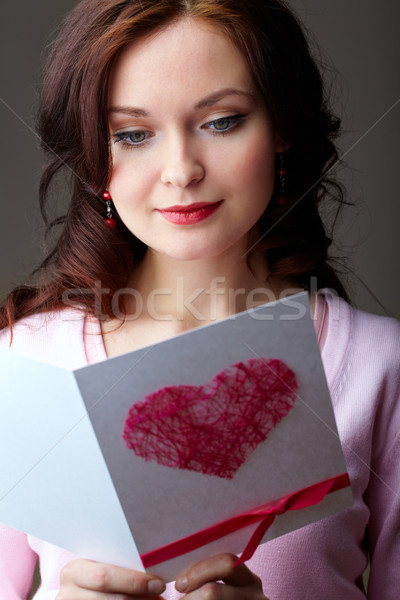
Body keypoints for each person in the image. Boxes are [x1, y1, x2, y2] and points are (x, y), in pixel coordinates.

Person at [0, 0, 399, 598]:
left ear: (282, 127)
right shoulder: (22, 364)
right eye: (132, 134)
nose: (181, 170)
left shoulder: (381, 363)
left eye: (222, 121)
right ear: (92, 157)